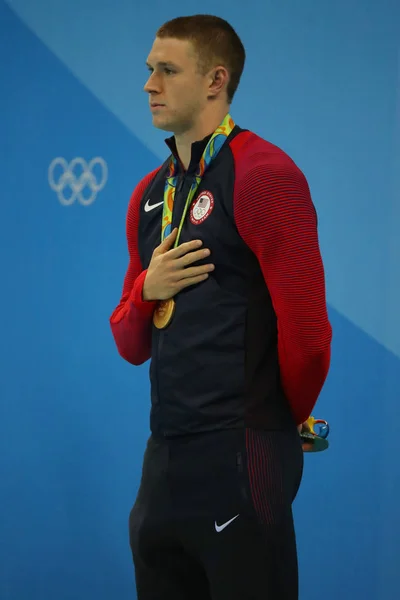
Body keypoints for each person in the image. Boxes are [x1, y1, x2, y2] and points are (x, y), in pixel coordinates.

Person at [110, 13, 332, 600]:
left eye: (166, 70)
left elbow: (308, 337)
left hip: (242, 453)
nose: (148, 84)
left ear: (215, 80)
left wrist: (283, 421)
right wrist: (145, 291)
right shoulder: (149, 194)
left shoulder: (264, 174)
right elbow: (131, 344)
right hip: (161, 466)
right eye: (148, 69)